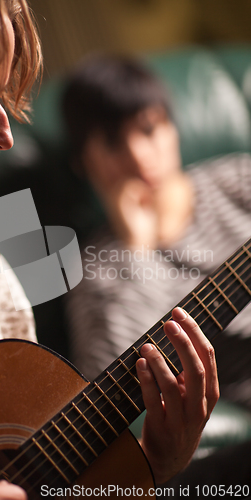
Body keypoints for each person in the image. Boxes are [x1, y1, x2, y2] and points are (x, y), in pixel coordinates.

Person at [0, 3, 219, 499]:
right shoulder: (98, 274)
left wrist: (153, 466)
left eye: (3, 99)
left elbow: (44, 478)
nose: (6, 135)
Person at [62, 55, 251, 413]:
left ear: (174, 129)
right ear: (81, 163)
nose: (138, 156)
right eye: (114, 142)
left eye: (149, 130)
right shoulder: (95, 269)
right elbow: (113, 400)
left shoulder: (240, 181)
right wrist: (137, 249)